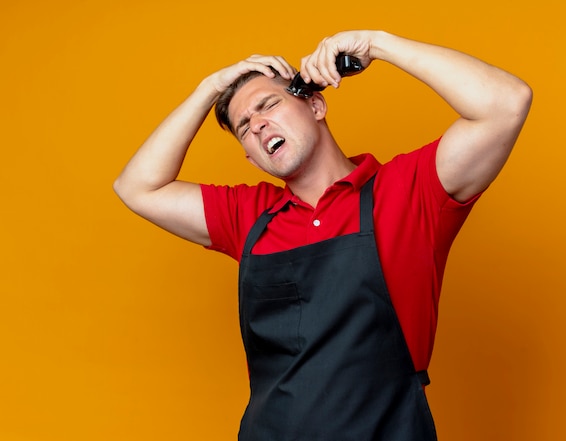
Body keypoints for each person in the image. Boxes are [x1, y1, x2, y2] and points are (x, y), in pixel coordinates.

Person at [114, 30, 532, 440]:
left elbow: (505, 103)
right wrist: (210, 88)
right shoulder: (248, 216)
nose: (258, 125)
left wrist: (378, 44)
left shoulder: (409, 191)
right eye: (244, 126)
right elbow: (137, 187)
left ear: (315, 104)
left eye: (268, 105)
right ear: (249, 156)